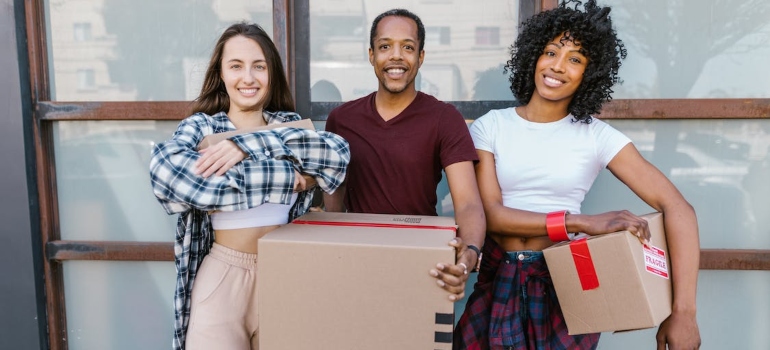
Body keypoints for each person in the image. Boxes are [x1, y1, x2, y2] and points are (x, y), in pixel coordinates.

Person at [454, 1, 701, 349]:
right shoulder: (491, 126)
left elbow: (679, 209)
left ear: (590, 72)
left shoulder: (597, 136)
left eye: (575, 59)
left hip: (566, 284)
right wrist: (581, 222)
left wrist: (684, 313)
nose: (558, 66)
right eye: (551, 51)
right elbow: (492, 216)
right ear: (533, 56)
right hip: (499, 279)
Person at [149, 23, 349, 350]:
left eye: (259, 66)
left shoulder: (288, 123)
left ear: (271, 73)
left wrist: (246, 147)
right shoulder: (202, 126)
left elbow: (337, 154)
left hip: (287, 274)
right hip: (222, 277)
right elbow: (170, 177)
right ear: (222, 74)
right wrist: (290, 176)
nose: (249, 78)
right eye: (236, 66)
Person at [323, 8, 486, 301]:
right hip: (356, 259)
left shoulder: (444, 118)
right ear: (371, 55)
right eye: (385, 46)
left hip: (424, 261)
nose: (396, 56)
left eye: (407, 47)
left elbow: (469, 203)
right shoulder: (342, 119)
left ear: (420, 57)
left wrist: (469, 254)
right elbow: (333, 203)